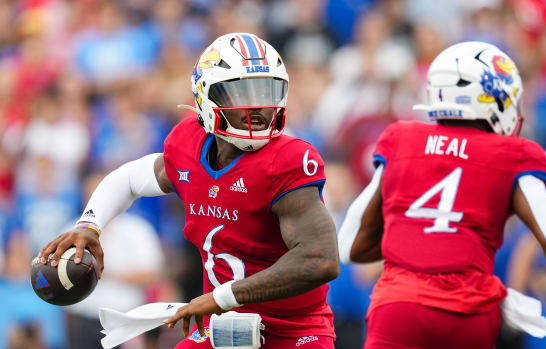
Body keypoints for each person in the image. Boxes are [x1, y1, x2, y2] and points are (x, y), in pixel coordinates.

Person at [37, 33, 339, 349]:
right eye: (241, 93)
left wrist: (221, 297)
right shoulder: (188, 145)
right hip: (220, 326)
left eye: (266, 90)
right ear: (207, 97)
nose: (259, 107)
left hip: (293, 330)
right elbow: (129, 178)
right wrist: (90, 225)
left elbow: (320, 259)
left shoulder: (287, 159)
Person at [337, 41, 546, 349]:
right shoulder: (512, 154)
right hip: (468, 311)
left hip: (397, 308)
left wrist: (416, 246)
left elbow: (348, 245)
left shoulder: (401, 138)